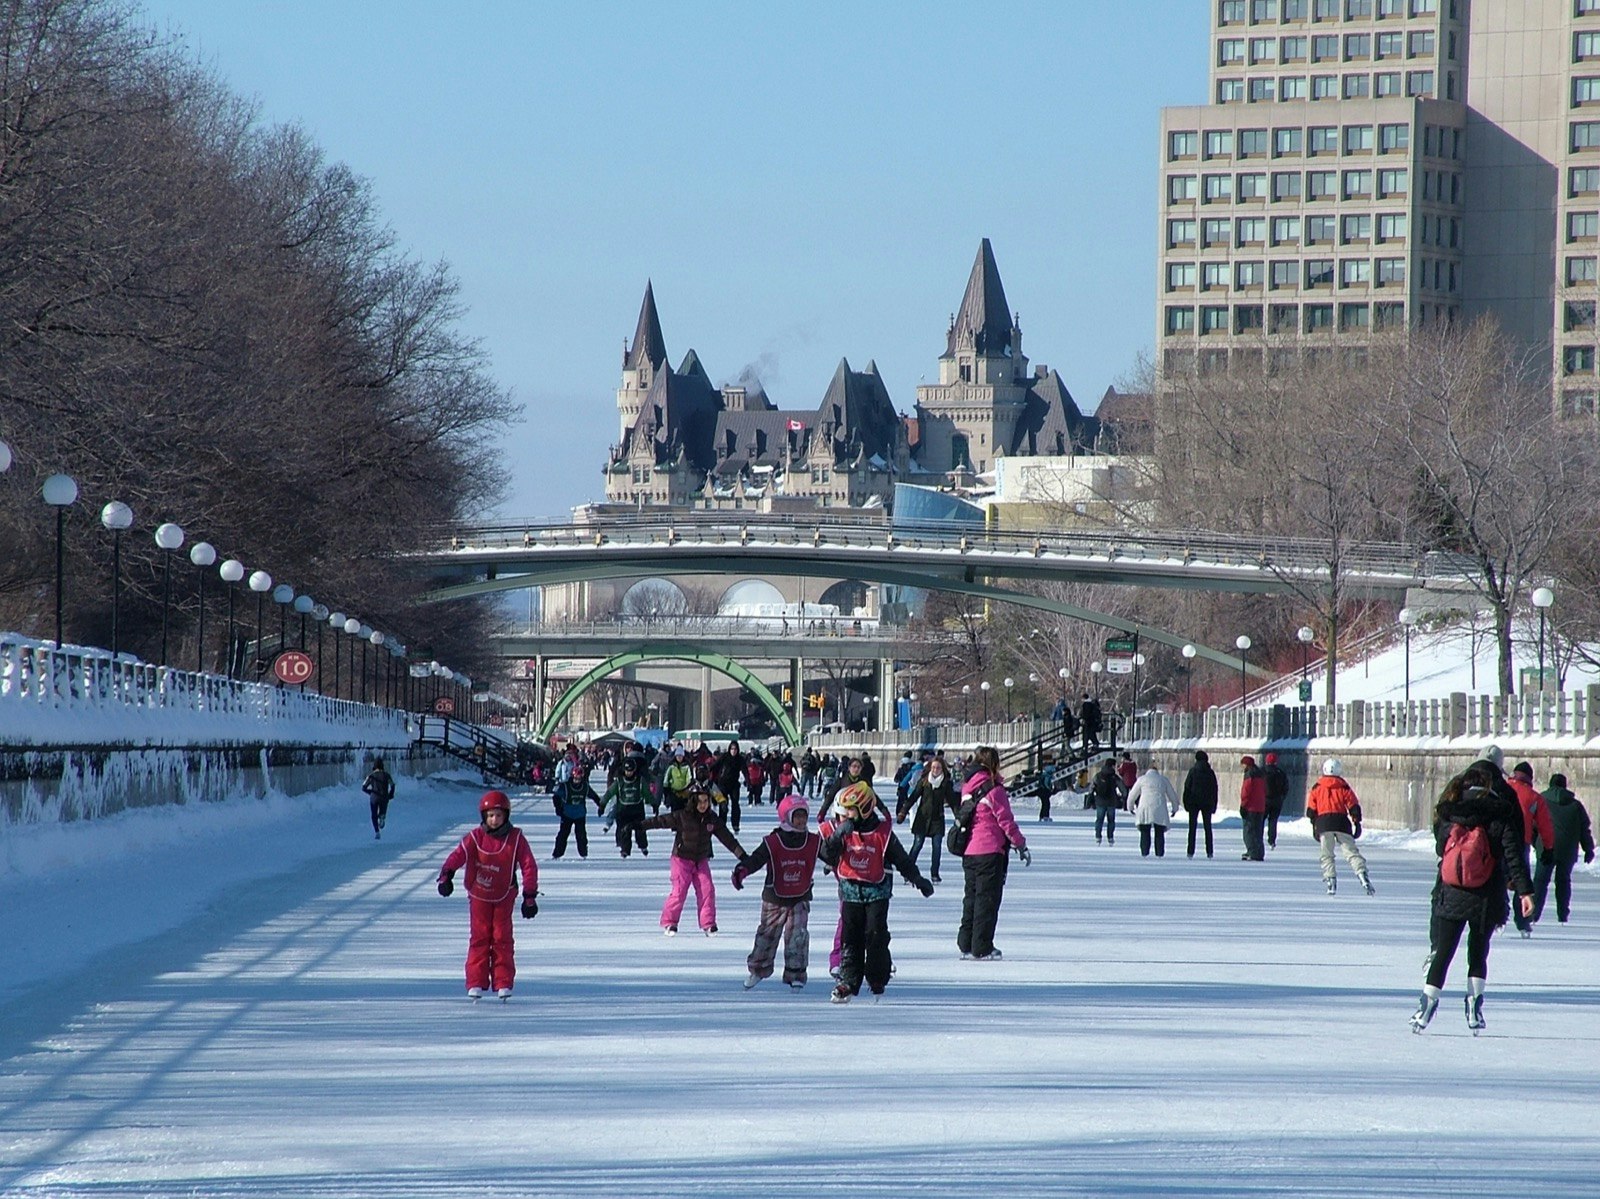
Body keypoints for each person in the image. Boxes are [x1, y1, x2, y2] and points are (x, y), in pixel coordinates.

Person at [1409, 763, 1535, 1034]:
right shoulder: (1500, 816)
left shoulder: (1449, 814)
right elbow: (1513, 856)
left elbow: (1441, 848)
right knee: (1478, 953)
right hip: (1486, 896)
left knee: (1444, 952)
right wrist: (1525, 892)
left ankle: (1426, 1007)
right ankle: (1474, 1008)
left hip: (1452, 893)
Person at [818, 779, 934, 1003]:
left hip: (877, 893)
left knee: (875, 934)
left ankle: (877, 976)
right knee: (849, 937)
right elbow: (827, 855)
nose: (843, 817)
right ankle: (848, 981)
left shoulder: (882, 833)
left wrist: (918, 879)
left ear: (863, 809)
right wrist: (837, 836)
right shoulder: (841, 831)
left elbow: (901, 859)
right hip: (850, 891)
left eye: (848, 813)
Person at [435, 790, 539, 1000]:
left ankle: (503, 982)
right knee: (480, 937)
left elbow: (529, 865)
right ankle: (476, 981)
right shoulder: (475, 837)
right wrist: (446, 875)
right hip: (479, 894)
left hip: (504, 894)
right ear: (484, 816)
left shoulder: (516, 838)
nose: (494, 820)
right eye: (490, 816)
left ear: (506, 816)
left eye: (499, 816)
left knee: (502, 937)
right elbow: (458, 855)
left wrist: (530, 895)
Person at [732, 795, 820, 989]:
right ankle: (758, 969)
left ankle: (795, 974)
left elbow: (830, 853)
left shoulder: (813, 840)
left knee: (798, 936)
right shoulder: (774, 841)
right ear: (786, 817)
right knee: (767, 935)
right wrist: (743, 870)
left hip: (801, 895)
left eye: (804, 817)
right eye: (796, 817)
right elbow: (757, 858)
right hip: (774, 897)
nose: (801, 821)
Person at [953, 745, 1029, 961]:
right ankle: (982, 946)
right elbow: (1006, 821)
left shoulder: (968, 787)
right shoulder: (994, 790)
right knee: (987, 900)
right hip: (989, 850)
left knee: (971, 897)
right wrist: (1020, 844)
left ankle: (965, 942)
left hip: (970, 850)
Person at [640, 786, 747, 935]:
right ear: (693, 802)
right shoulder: (683, 816)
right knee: (679, 891)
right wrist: (639, 826)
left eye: (706, 801)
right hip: (681, 859)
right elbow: (661, 821)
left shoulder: (712, 819)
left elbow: (727, 838)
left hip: (701, 860)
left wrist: (742, 856)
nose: (703, 805)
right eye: (700, 801)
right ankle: (669, 922)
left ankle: (708, 923)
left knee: (707, 889)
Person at [1304, 758, 1373, 895]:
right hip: (1341, 822)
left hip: (1324, 823)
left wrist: (1314, 824)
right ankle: (1362, 875)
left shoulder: (1317, 787)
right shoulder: (1343, 786)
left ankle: (1331, 881)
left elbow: (1311, 809)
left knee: (1327, 855)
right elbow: (1353, 804)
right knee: (1351, 852)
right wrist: (1356, 821)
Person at [1534, 772, 1595, 924]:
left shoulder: (1541, 802)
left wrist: (1535, 842)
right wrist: (1588, 850)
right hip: (1567, 850)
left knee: (1540, 881)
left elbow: (1532, 824)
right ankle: (1562, 915)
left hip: (1545, 847)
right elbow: (1584, 829)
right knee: (1563, 881)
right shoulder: (1575, 805)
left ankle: (1533, 915)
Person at [1506, 761, 1557, 935]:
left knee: (1497, 878)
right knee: (1522, 882)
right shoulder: (1534, 798)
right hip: (1521, 843)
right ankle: (1522, 922)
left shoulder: (1503, 788)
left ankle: (1497, 918)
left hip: (1497, 840)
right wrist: (1548, 848)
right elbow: (1545, 826)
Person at [901, 753, 954, 883]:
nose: (936, 770)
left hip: (937, 819)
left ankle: (935, 873)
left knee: (937, 847)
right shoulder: (924, 781)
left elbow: (953, 802)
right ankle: (908, 872)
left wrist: (960, 817)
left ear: (942, 769)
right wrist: (903, 811)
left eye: (938, 768)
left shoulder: (945, 784)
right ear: (930, 768)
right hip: (922, 819)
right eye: (934, 767)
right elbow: (913, 797)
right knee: (917, 845)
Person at [599, 756, 651, 858]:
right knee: (624, 831)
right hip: (623, 810)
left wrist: (653, 803)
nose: (629, 773)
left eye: (631, 771)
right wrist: (602, 805)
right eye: (627, 771)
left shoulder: (640, 781)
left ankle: (643, 846)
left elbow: (647, 793)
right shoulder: (619, 782)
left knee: (640, 829)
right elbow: (609, 793)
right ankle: (625, 850)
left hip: (637, 810)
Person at [1127, 762, 1179, 858]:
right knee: (1159, 831)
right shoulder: (1163, 780)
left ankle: (1144, 852)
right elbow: (1172, 795)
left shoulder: (1142, 780)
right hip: (1159, 807)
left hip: (1144, 807)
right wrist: (1175, 808)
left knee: (1145, 831)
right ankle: (1159, 853)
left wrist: (1130, 807)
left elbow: (1132, 795)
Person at [551, 760, 594, 859]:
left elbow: (593, 796)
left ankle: (583, 854)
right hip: (567, 814)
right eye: (575, 779)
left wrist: (601, 805)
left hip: (580, 814)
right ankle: (557, 854)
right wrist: (558, 808)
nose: (577, 781)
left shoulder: (585, 786)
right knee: (563, 834)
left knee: (581, 835)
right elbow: (556, 797)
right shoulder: (565, 786)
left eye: (579, 779)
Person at [1182, 750, 1219, 859]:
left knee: (1192, 828)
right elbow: (1214, 789)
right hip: (1207, 803)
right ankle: (1209, 851)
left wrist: (1186, 802)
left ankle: (1190, 851)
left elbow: (1187, 787)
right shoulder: (1210, 772)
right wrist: (1214, 804)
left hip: (1194, 802)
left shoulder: (1193, 771)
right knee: (1208, 828)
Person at [1089, 757, 1127, 846]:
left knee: (1099, 819)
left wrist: (1091, 796)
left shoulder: (1098, 775)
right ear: (1113, 766)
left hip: (1100, 801)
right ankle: (1110, 837)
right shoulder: (1114, 777)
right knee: (1111, 820)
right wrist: (1123, 796)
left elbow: (1091, 787)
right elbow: (1122, 788)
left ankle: (1098, 836)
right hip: (1111, 801)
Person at [1238, 756, 1267, 861]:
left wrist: (1243, 805)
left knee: (1249, 832)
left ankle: (1252, 852)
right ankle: (1259, 852)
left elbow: (1246, 792)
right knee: (1258, 831)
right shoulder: (1261, 775)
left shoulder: (1249, 775)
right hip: (1260, 807)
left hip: (1250, 807)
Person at [1261, 751, 1290, 849]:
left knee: (1261, 820)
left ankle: (1259, 838)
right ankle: (1272, 840)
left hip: (1264, 800)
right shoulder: (1280, 773)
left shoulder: (1262, 772)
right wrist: (1282, 797)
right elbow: (1286, 787)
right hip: (1277, 800)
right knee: (1273, 821)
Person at [362, 757, 395, 840]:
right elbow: (392, 785)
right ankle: (382, 817)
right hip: (384, 797)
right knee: (382, 811)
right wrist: (390, 794)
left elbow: (363, 787)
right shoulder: (387, 775)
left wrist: (371, 792)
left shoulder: (371, 776)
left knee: (373, 815)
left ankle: (377, 831)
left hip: (374, 797)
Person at [1078, 692, 1103, 756]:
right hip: (1092, 723)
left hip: (1088, 724)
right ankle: (1094, 745)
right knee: (1091, 735)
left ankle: (1085, 748)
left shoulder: (1086, 704)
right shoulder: (1092, 704)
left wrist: (1083, 718)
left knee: (1087, 736)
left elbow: (1086, 714)